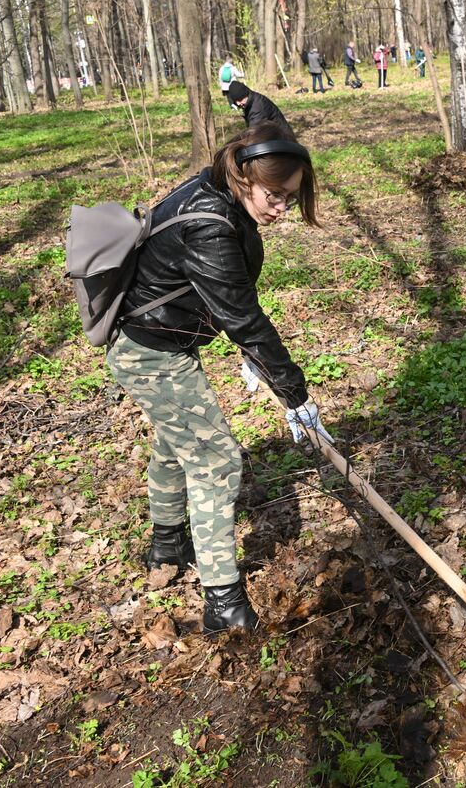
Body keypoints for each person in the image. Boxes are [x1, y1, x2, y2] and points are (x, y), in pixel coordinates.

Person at [108, 120, 325, 634]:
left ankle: (167, 545)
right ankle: (223, 604)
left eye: (290, 199)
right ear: (245, 176)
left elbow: (228, 305)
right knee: (215, 459)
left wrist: (256, 356)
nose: (280, 209)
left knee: (177, 438)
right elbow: (244, 317)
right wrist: (292, 392)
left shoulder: (215, 188)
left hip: (160, 340)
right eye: (275, 195)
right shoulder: (209, 224)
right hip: (149, 352)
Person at [225, 80, 293, 136]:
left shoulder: (257, 107)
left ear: (246, 95)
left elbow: (254, 133)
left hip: (283, 138)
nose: (238, 103)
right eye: (236, 101)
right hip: (274, 135)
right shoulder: (250, 100)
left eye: (240, 100)